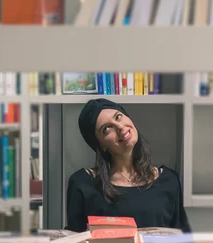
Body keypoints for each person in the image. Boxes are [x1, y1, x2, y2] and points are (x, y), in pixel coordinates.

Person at [65, 98, 191, 233]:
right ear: (100, 144)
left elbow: (182, 241)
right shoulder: (82, 183)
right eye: (107, 128)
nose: (120, 127)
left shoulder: (169, 180)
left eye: (118, 117)